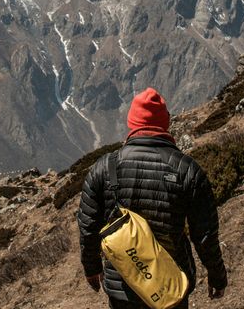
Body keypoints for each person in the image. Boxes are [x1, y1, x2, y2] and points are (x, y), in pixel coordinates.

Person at [77, 87, 228, 308]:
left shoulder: (105, 167)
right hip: (169, 284)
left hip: (123, 283)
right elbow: (204, 234)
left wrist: (92, 268)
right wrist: (217, 276)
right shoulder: (186, 170)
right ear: (164, 123)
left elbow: (88, 225)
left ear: (132, 122)